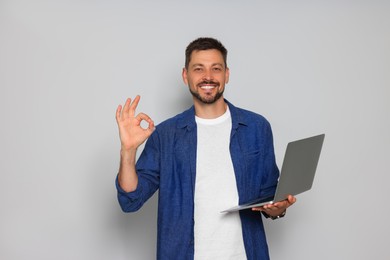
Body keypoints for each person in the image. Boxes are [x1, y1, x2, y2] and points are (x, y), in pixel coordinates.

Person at [115, 37, 296, 260]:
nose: (208, 77)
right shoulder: (165, 135)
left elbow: (270, 195)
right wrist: (128, 151)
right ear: (185, 76)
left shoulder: (257, 128)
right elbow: (130, 200)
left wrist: (278, 208)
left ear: (226, 74)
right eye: (198, 69)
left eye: (216, 69)